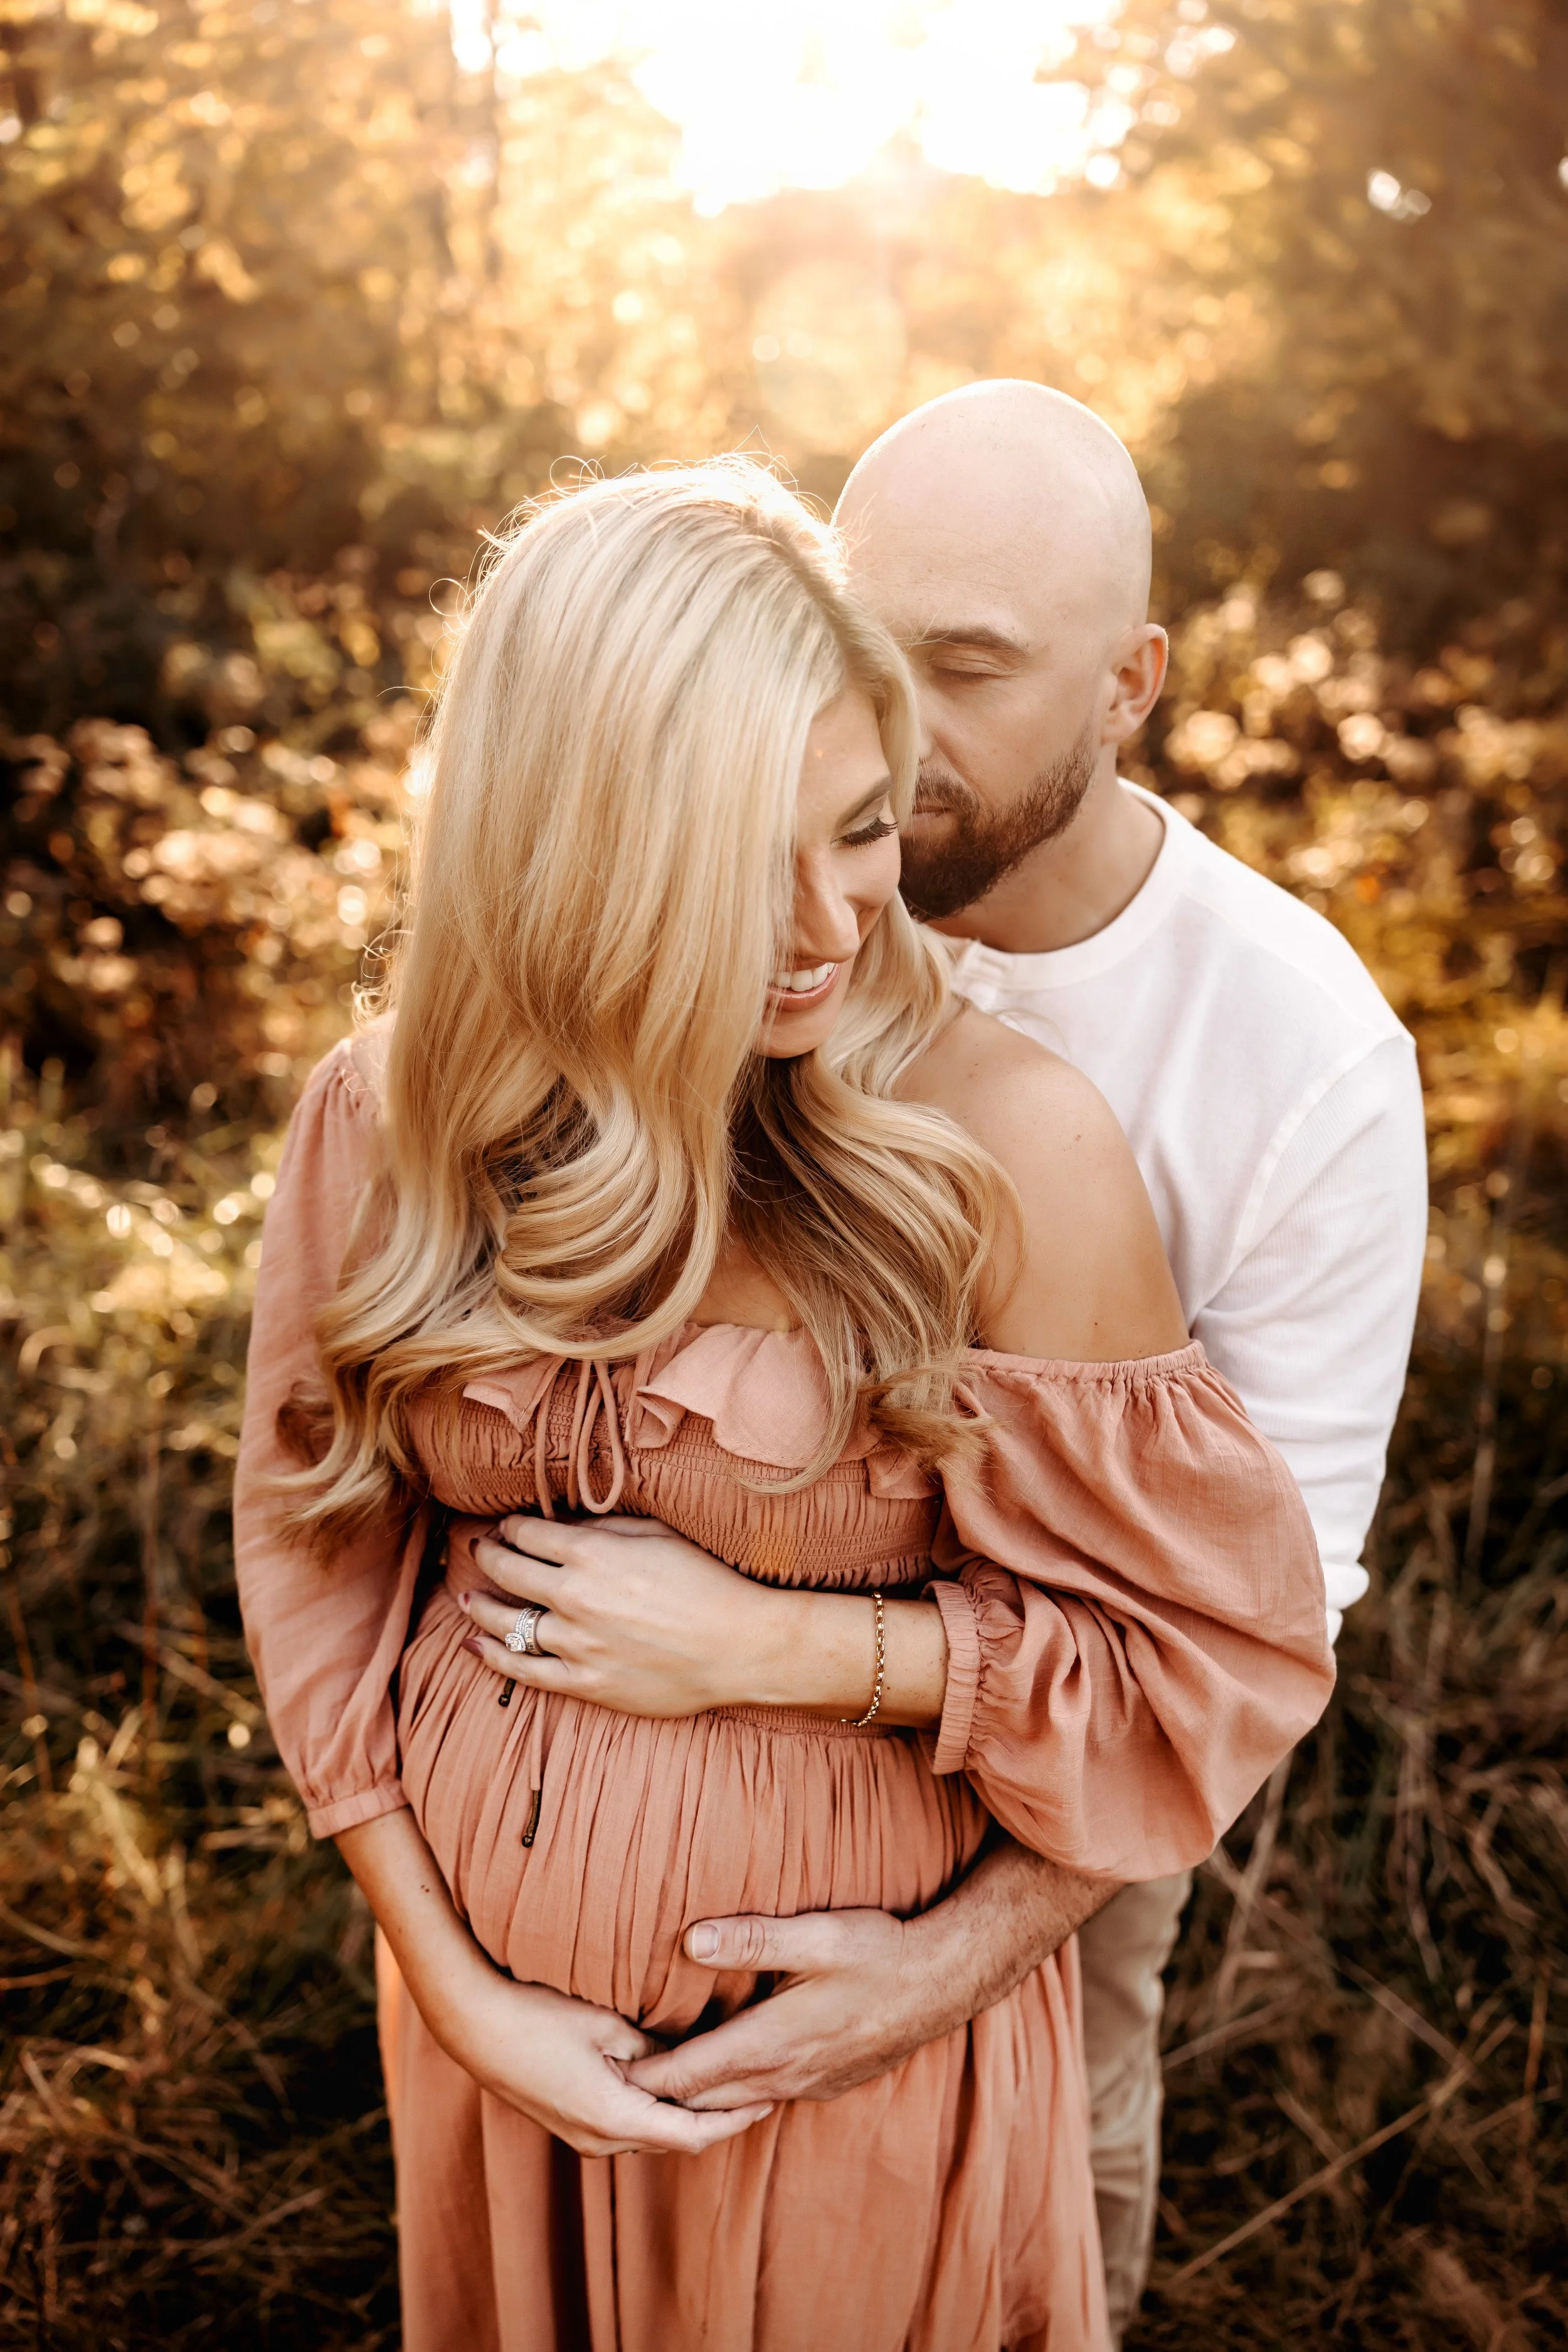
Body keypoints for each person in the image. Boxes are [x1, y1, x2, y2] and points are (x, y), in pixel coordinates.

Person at [235, 458, 1333, 2351]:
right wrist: (446, 1971)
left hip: (851, 2089)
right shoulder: (395, 1107)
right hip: (498, 2074)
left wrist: (811, 1684)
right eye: (738, 854)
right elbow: (319, 1547)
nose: (824, 922)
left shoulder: (1006, 1149)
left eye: (855, 830)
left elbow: (1201, 1662)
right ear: (570, 841)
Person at [598, 386, 1428, 2343]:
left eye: (965, 670)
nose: (894, 731)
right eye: (862, 649)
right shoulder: (738, 892)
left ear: (1132, 678)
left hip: (1058, 1765)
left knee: (1053, 2138)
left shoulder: (1298, 1052)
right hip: (669, 1733)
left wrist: (956, 1956)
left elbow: (1266, 1606)